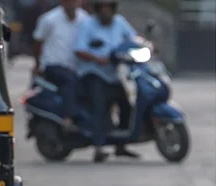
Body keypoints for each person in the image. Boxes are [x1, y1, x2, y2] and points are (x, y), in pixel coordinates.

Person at [74, 0, 140, 162]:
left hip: (114, 74)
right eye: (103, 7)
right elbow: (79, 49)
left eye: (109, 7)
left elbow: (133, 39)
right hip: (94, 73)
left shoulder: (120, 22)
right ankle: (98, 147)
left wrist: (146, 45)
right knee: (100, 105)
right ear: (97, 8)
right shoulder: (87, 24)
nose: (106, 11)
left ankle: (121, 145)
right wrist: (97, 59)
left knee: (127, 104)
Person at [32, 0, 88, 131]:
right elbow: (38, 41)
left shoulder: (84, 19)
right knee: (68, 80)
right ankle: (68, 117)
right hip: (53, 66)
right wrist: (37, 64)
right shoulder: (49, 19)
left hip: (77, 67)